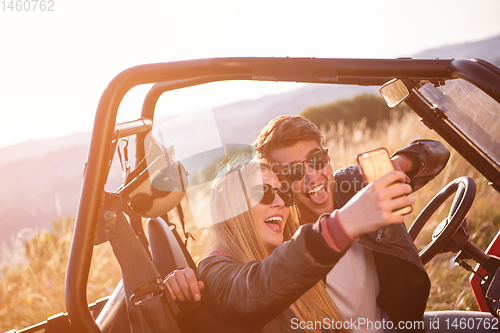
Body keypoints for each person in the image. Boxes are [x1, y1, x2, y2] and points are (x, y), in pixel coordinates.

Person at [166, 154, 416, 332]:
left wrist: (404, 160)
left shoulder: (287, 260)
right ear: (233, 210)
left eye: (284, 194)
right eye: (263, 192)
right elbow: (253, 292)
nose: (280, 203)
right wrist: (344, 224)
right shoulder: (213, 271)